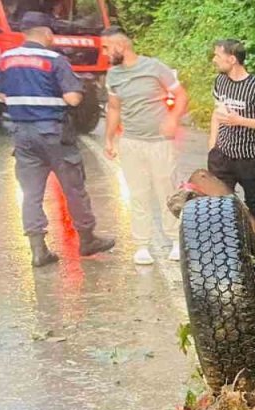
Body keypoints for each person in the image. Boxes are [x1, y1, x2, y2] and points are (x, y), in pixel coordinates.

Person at [0, 12, 113, 267]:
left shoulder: (5, 59)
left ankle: (38, 250)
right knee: (73, 187)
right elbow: (73, 98)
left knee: (31, 193)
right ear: (47, 33)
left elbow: (2, 95)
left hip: (22, 134)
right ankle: (87, 238)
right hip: (53, 133)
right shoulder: (54, 59)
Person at [101, 26, 189, 265]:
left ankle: (175, 241)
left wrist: (172, 118)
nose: (105, 53)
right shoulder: (113, 75)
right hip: (131, 142)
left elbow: (180, 95)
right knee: (138, 193)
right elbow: (115, 108)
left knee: (167, 192)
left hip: (160, 143)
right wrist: (109, 138)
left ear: (120, 46)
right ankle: (142, 244)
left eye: (107, 47)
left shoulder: (154, 67)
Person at [208, 39, 255, 228]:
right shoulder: (220, 81)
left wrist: (240, 121)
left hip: (247, 158)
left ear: (232, 59)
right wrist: (212, 146)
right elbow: (217, 113)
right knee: (217, 204)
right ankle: (220, 246)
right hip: (221, 154)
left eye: (217, 56)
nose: (214, 59)